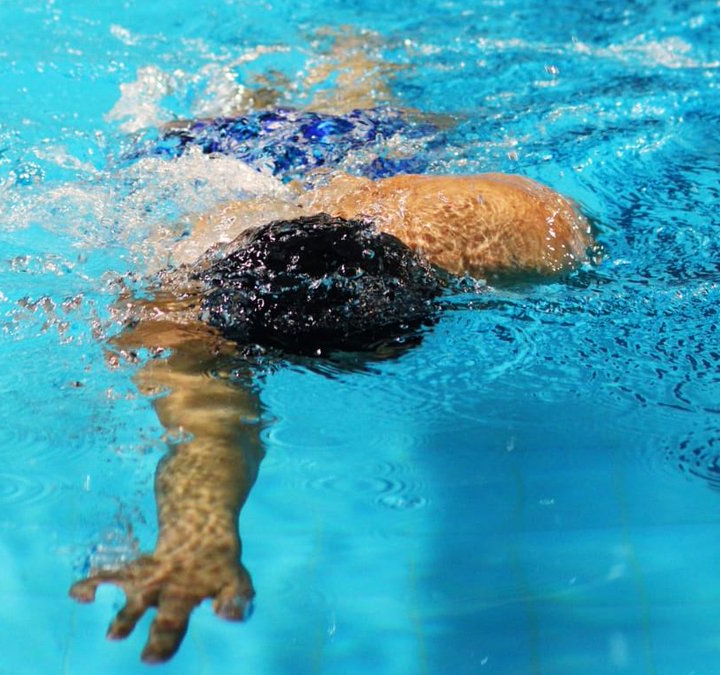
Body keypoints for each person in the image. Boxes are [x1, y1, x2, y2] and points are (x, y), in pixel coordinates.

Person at [69, 171, 596, 663]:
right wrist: (196, 536)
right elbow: (208, 432)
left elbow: (209, 423)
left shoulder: (487, 231)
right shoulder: (187, 316)